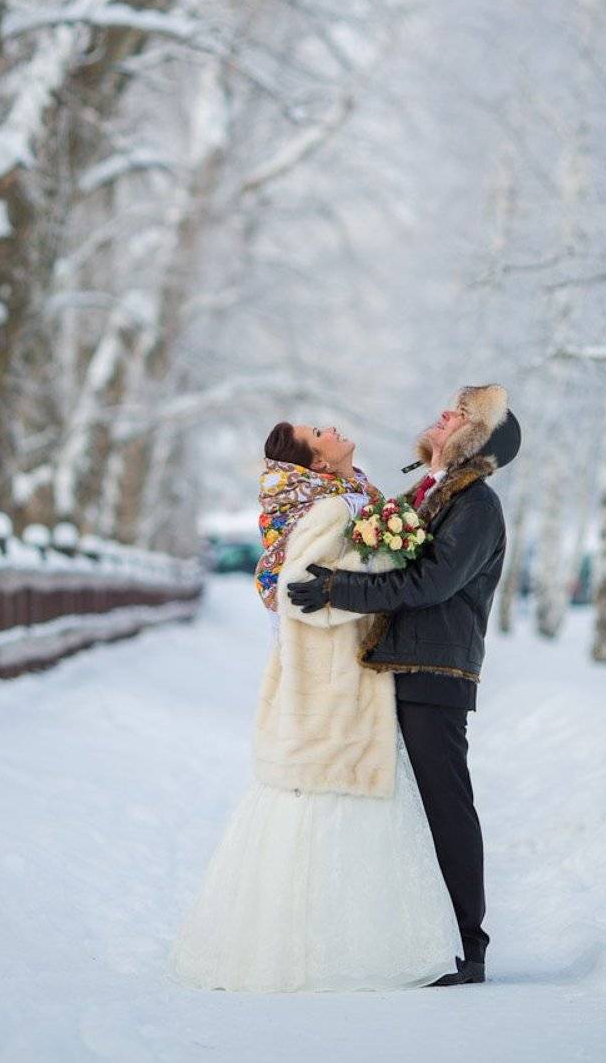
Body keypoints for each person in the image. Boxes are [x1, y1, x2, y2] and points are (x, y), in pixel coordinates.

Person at [169, 421, 460, 993]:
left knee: (332, 806)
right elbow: (302, 593)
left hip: (338, 677)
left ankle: (327, 947)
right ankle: (333, 952)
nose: (334, 428)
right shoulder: (330, 509)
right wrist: (389, 565)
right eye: (319, 432)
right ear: (319, 463)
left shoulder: (350, 496)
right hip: (333, 680)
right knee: (330, 802)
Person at [288, 385, 521, 986]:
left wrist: (339, 589)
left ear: (475, 439)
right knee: (399, 810)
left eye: (461, 415)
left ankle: (469, 947)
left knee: (445, 804)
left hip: (435, 673)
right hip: (394, 664)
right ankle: (409, 937)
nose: (445, 413)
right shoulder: (428, 492)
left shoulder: (477, 505)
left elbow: (430, 583)